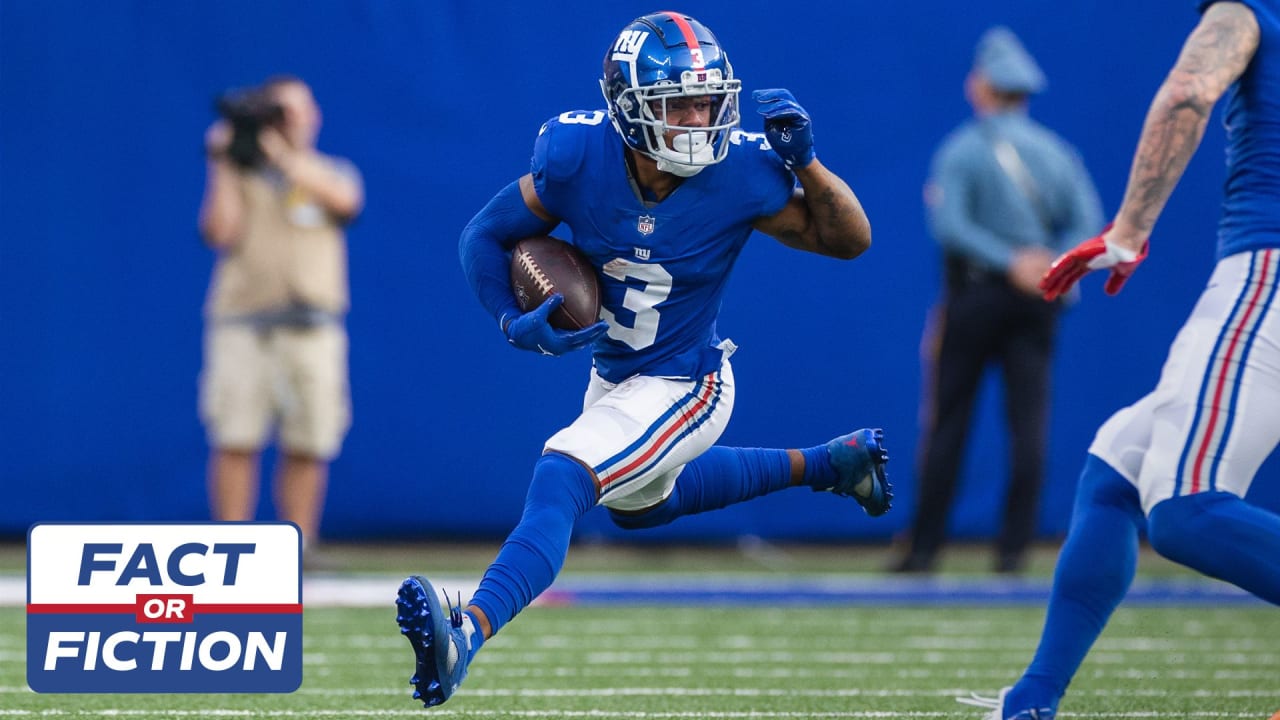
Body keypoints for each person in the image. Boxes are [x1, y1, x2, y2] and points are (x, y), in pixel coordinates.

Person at [394, 11, 891, 708]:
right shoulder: (574, 158)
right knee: (640, 506)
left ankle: (466, 633)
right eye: (677, 103)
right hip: (616, 375)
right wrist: (510, 319)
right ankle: (832, 462)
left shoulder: (744, 170)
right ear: (628, 108)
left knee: (562, 475)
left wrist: (806, 161)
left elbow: (849, 240)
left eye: (707, 100)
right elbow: (485, 234)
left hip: (690, 379)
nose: (698, 118)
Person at [960, 3, 1280, 718]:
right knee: (1118, 467)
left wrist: (1129, 230)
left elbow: (1189, 91)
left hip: (1268, 272)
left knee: (1187, 509)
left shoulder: (1244, 10)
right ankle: (1032, 701)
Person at [892, 27, 1103, 575]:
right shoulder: (1059, 153)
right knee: (1029, 425)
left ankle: (924, 549)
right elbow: (1086, 224)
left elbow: (950, 224)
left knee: (949, 421)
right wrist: (1045, 264)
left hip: (977, 295)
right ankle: (1012, 553)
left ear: (983, 85)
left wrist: (1008, 263)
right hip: (1040, 299)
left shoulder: (964, 149)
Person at [197, 75, 363, 553]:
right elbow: (220, 232)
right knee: (235, 435)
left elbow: (345, 203)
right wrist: (222, 164)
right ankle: (229, 550)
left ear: (312, 117)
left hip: (312, 329)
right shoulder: (242, 175)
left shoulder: (331, 172)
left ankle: (299, 545)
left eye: (295, 110)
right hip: (243, 325)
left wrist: (282, 156)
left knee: (310, 440)